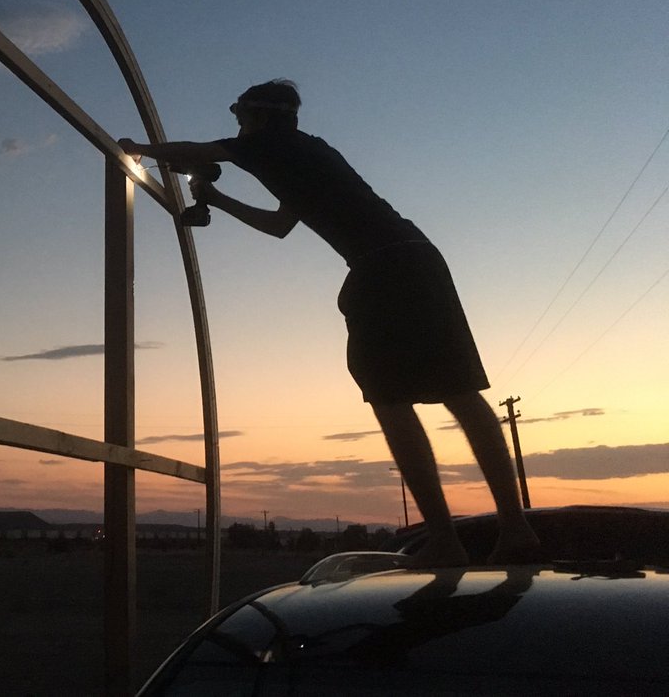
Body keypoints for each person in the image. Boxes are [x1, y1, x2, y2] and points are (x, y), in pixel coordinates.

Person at [119, 79, 540, 566]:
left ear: (258, 116)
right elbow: (279, 226)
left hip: (380, 266)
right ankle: (516, 528)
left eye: (238, 112)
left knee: (391, 398)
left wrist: (137, 148)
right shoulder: (306, 155)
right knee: (461, 392)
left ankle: (445, 541)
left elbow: (200, 148)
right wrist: (213, 199)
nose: (235, 121)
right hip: (418, 256)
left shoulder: (267, 143)